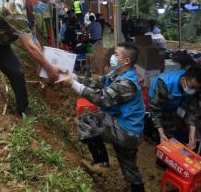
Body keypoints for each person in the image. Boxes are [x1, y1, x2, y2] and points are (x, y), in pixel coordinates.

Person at [55, 44, 146, 192]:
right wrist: (74, 76)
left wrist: (73, 84)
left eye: (116, 54)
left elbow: (101, 98)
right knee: (129, 167)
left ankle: (101, 163)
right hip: (129, 131)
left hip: (126, 132)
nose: (112, 56)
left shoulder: (127, 84)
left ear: (126, 60)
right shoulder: (117, 74)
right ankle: (138, 189)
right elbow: (97, 83)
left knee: (85, 121)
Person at [148, 67, 201, 149]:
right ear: (183, 80)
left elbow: (193, 110)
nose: (193, 90)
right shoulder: (164, 83)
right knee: (161, 130)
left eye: (196, 88)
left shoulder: (193, 87)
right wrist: (161, 134)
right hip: (158, 102)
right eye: (192, 87)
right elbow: (155, 109)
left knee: (170, 132)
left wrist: (192, 134)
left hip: (173, 103)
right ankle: (155, 136)